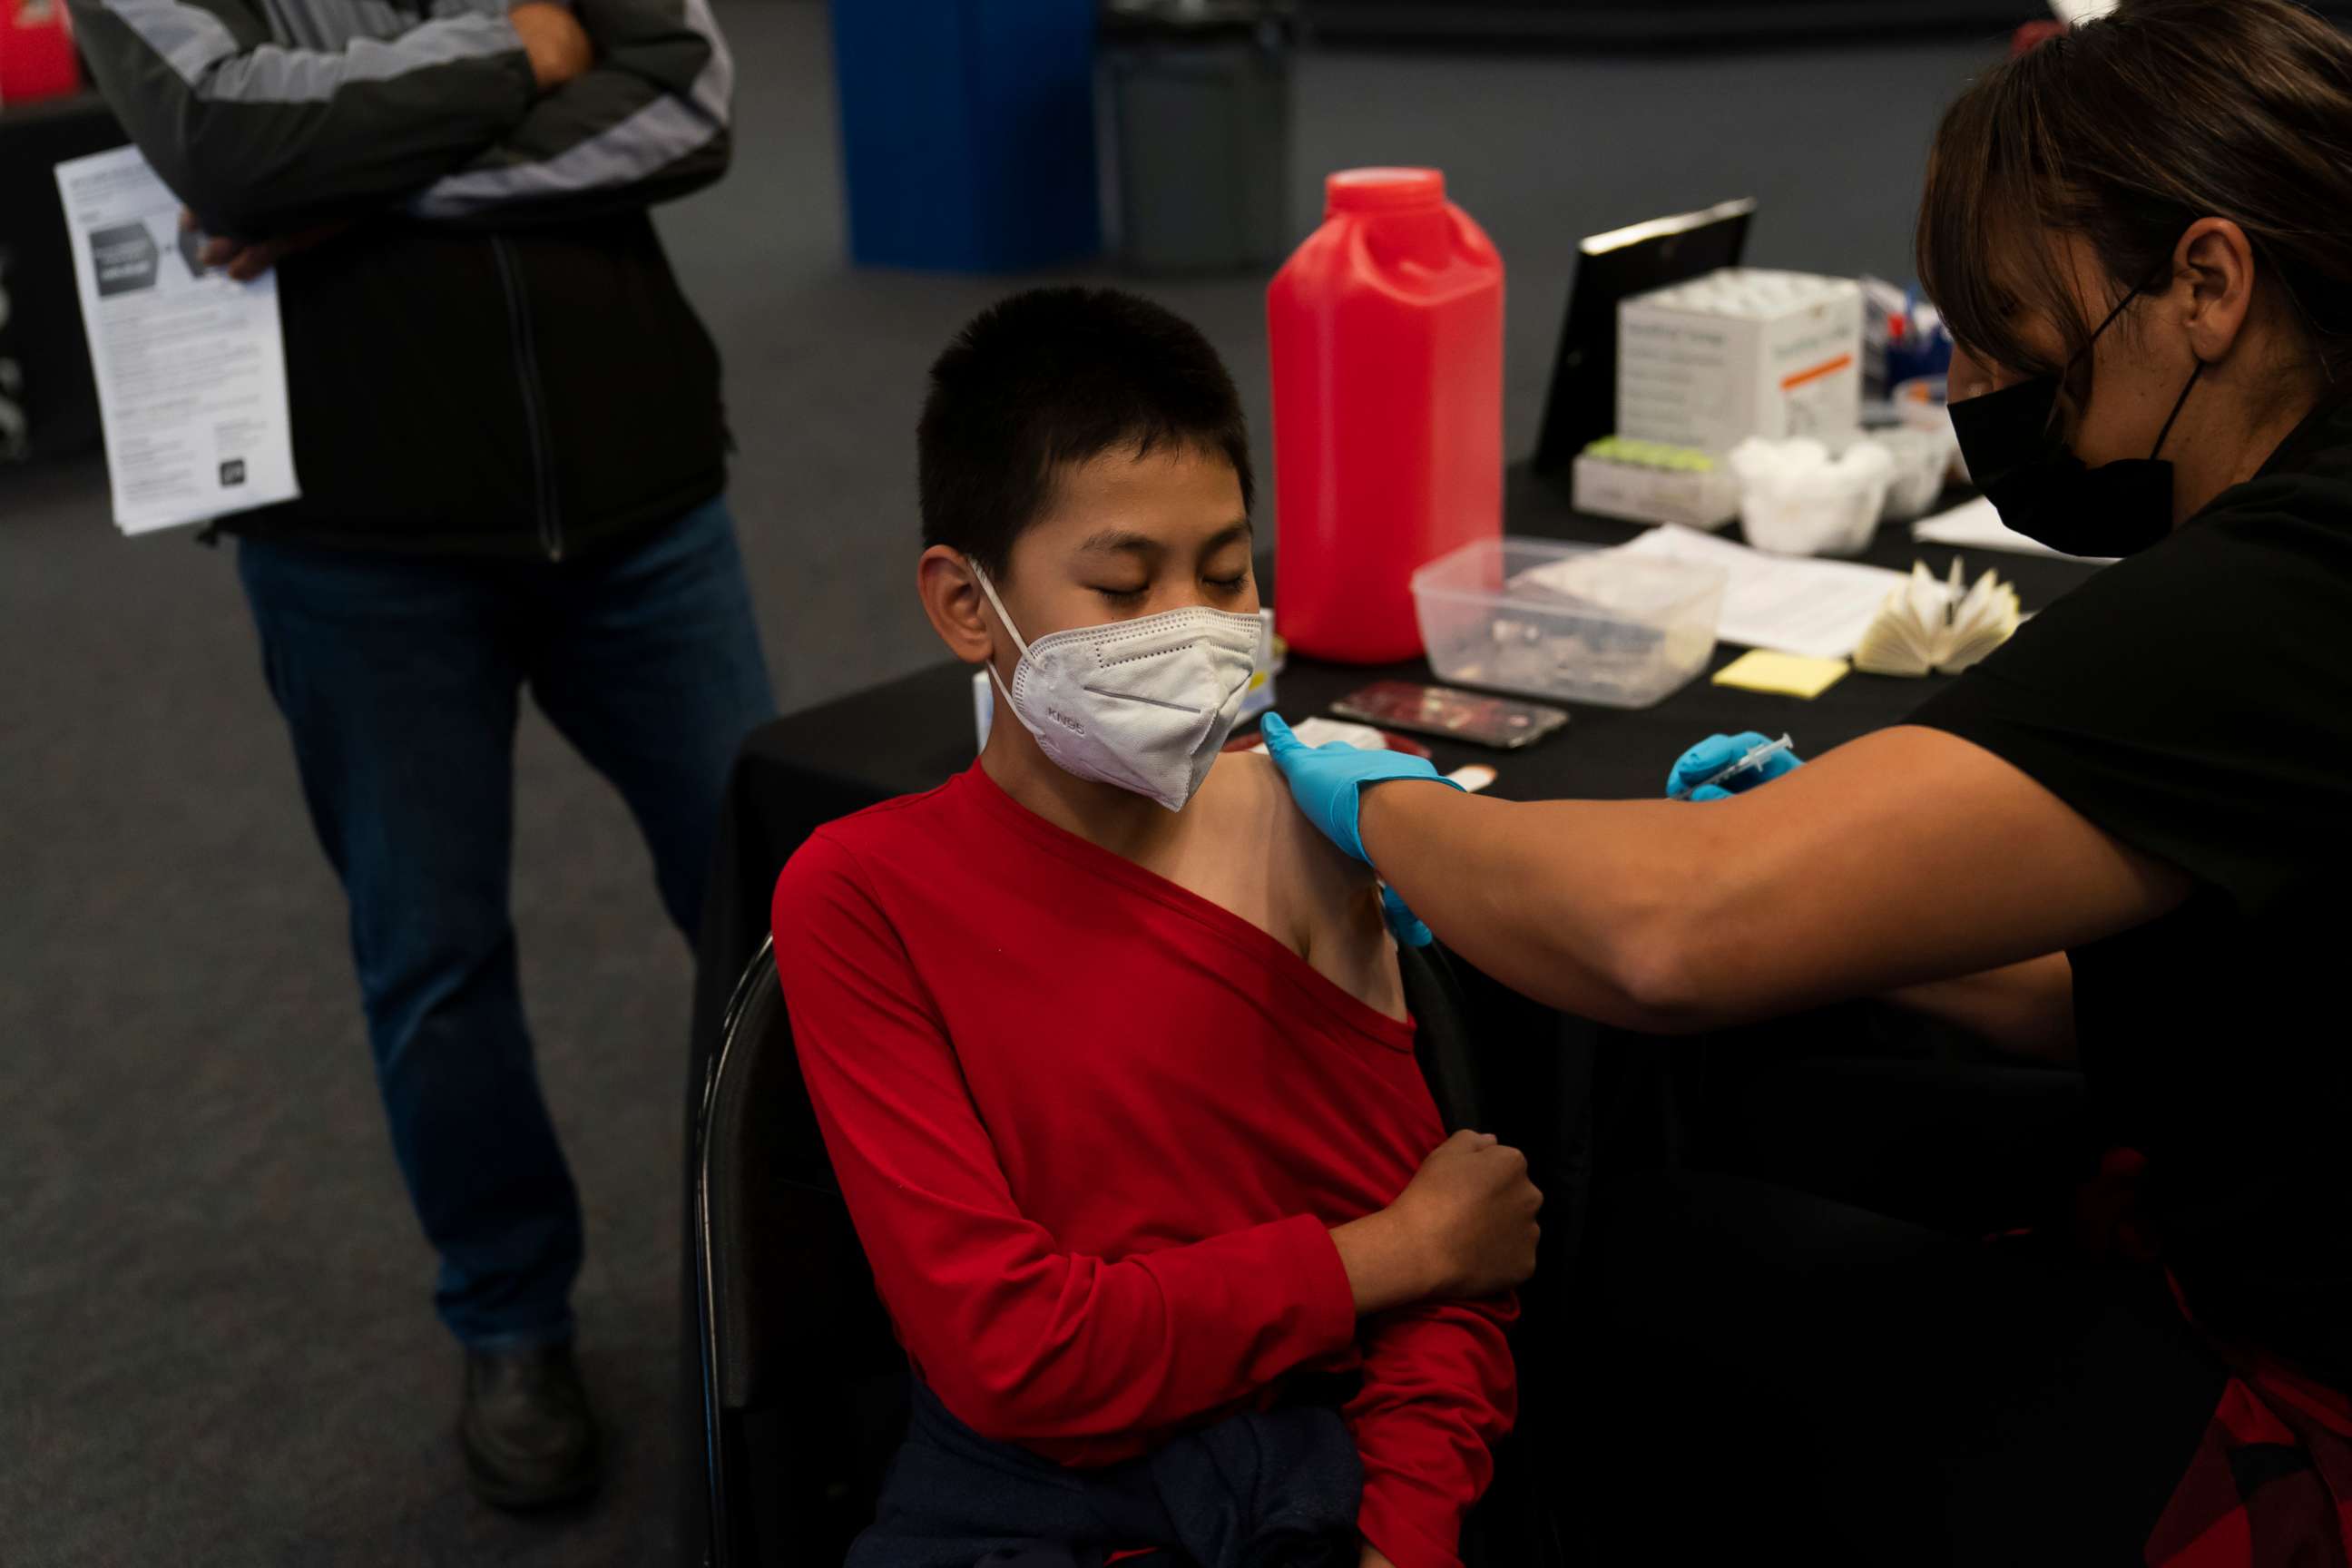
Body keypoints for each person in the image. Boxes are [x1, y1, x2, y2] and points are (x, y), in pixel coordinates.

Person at [1259, 2, 2352, 1562]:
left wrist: (1390, 805)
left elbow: (1667, 939)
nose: (1975, 387)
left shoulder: (2276, 592)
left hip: (2307, 1411)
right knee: (1806, 1108)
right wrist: (1885, 900)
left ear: (2208, 282)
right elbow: (2184, 964)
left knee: (1631, 1260)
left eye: (2009, 332)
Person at [67, 0, 774, 1507]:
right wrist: (525, 52)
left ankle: (860, 1253)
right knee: (432, 957)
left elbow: (691, 95)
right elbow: (224, 142)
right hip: (357, 549)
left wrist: (352, 189)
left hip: (643, 501)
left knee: (780, 906)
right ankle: (511, 1319)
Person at [769, 289, 1537, 1568]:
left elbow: (1455, 1293)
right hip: (1023, 1503)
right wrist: (1385, 1252)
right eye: (1124, 587)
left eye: (1227, 574)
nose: (1189, 627)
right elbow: (1012, 1354)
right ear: (968, 607)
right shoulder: (863, 896)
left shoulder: (1304, 830)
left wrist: (1399, 1540)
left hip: (1319, 1477)